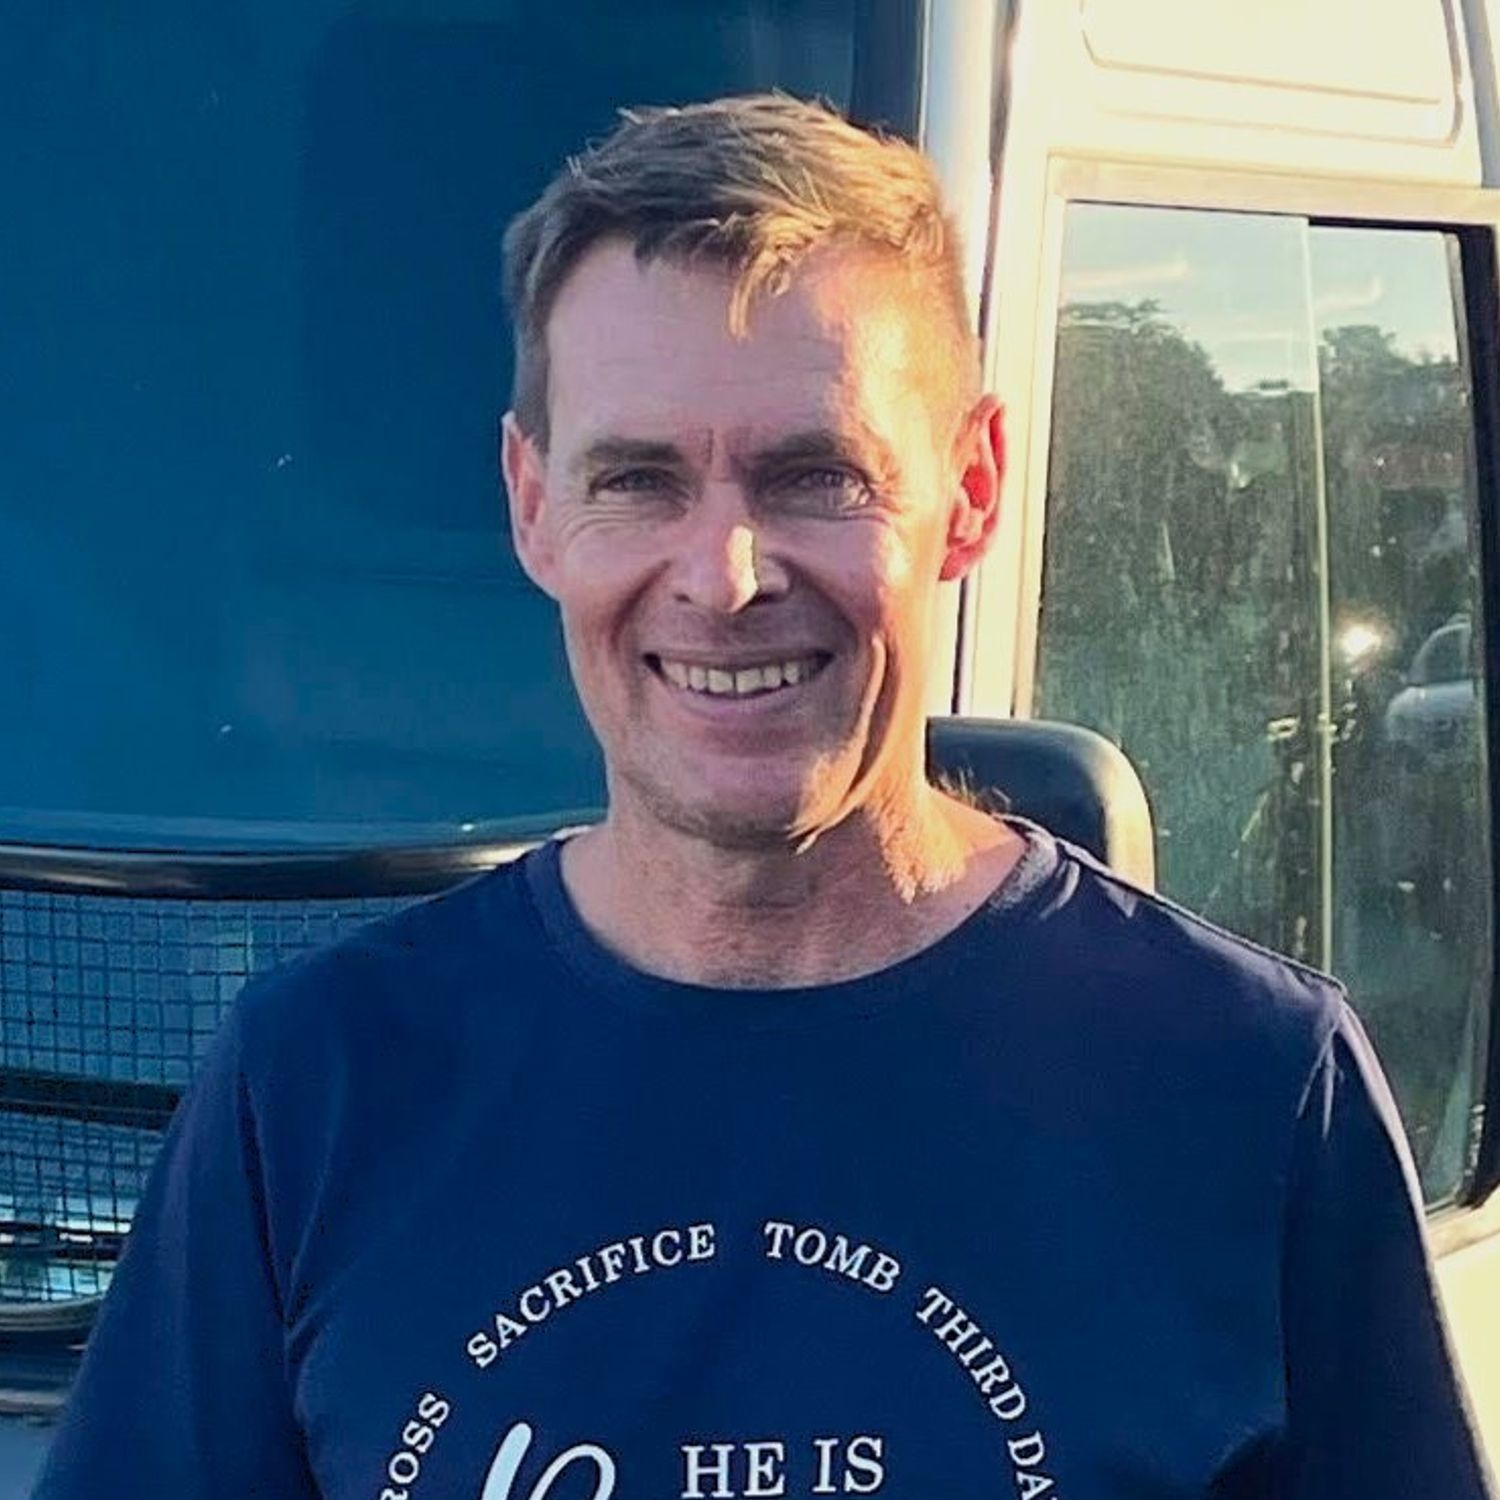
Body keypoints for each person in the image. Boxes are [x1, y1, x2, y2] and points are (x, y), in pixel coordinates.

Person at [33, 94, 1493, 1500]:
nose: (725, 578)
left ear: (971, 488)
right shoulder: (315, 1088)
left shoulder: (1248, 1087)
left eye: (815, 475)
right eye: (637, 480)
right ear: (534, 504)